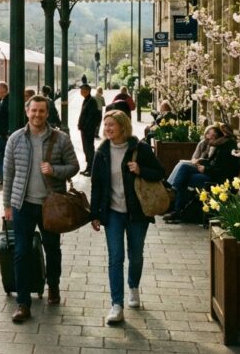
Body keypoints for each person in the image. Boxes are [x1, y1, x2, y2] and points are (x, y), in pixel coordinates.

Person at [3, 95, 80, 323]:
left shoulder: (61, 139)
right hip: (23, 205)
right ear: (27, 112)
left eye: (41, 111)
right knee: (21, 252)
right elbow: (8, 174)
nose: (37, 115)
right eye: (33, 111)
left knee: (52, 249)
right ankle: (23, 303)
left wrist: (54, 170)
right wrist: (7, 205)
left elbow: (74, 166)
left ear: (47, 113)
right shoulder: (15, 139)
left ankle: (53, 285)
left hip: (51, 205)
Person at [89, 110, 165, 324]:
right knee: (115, 258)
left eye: (112, 125)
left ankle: (133, 286)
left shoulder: (139, 149)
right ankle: (116, 305)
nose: (108, 129)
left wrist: (141, 170)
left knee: (136, 254)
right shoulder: (101, 152)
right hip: (112, 213)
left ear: (123, 127)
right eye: (106, 125)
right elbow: (96, 186)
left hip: (136, 213)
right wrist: (95, 215)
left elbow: (160, 172)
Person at [164, 123, 240, 223]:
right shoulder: (221, 145)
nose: (212, 136)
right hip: (211, 172)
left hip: (216, 179)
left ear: (224, 134)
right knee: (184, 167)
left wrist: (205, 170)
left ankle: (177, 209)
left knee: (186, 178)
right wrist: (201, 162)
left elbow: (223, 171)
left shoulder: (227, 148)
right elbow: (213, 162)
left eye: (217, 134)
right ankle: (175, 194)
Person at [77, 84, 102, 177]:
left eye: (82, 90)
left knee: (89, 149)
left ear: (87, 91)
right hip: (85, 129)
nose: (81, 91)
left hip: (88, 130)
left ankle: (91, 169)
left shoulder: (91, 101)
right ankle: (88, 167)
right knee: (86, 149)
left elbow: (91, 116)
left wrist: (86, 127)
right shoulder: (87, 100)